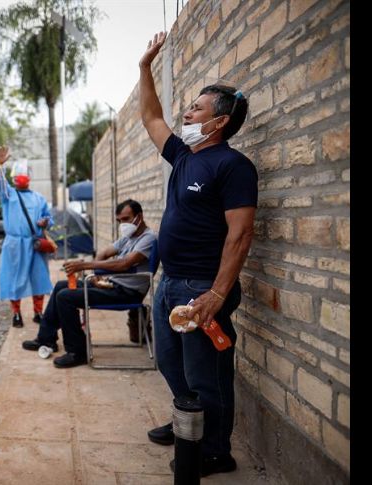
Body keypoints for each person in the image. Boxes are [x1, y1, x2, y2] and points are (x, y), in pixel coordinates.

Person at [138, 31, 257, 477]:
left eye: (196, 108)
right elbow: (151, 118)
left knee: (208, 375)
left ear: (220, 121)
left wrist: (217, 295)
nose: (186, 112)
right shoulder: (185, 156)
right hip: (170, 282)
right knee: (170, 362)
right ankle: (188, 424)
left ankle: (213, 450)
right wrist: (144, 68)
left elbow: (241, 235)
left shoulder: (233, 166)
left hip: (202, 286)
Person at [22, 199, 157, 368]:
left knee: (65, 297)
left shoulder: (148, 238)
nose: (123, 224)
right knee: (61, 286)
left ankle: (77, 352)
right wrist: (96, 277)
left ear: (139, 217)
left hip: (126, 292)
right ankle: (46, 339)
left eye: (126, 219)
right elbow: (103, 254)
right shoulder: (128, 238)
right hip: (112, 285)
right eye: (119, 220)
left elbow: (125, 264)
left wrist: (85, 265)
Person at [0, 145, 54, 327]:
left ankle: (38, 312)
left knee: (39, 278)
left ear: (30, 178)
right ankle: (16, 314)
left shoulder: (38, 198)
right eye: (18, 174)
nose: (21, 177)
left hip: (35, 244)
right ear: (13, 178)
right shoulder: (8, 195)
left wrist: (45, 222)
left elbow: (49, 218)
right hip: (14, 244)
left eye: (24, 174)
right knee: (14, 279)